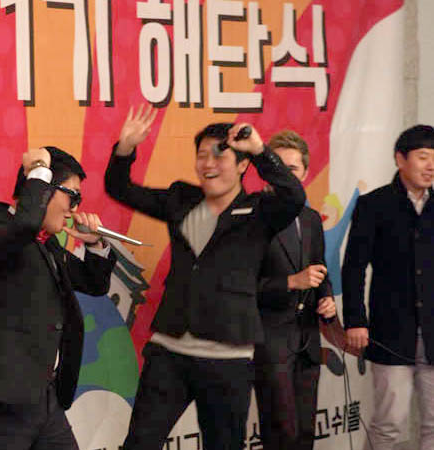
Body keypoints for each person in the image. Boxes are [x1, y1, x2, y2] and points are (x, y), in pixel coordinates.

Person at [104, 105, 306, 450]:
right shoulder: (180, 199)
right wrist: (125, 148)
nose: (208, 163)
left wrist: (259, 150)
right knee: (139, 442)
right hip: (170, 350)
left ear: (242, 165)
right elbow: (119, 188)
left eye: (219, 155)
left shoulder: (260, 211)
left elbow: (295, 196)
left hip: (228, 357)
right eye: (201, 155)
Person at [0, 146, 116, 450]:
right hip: (4, 402)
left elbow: (94, 284)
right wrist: (38, 170)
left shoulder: (48, 244)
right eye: (72, 196)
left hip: (46, 399)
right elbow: (23, 227)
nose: (74, 209)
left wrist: (95, 244)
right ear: (43, 188)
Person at [343, 124, 434, 450]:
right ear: (400, 159)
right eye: (423, 157)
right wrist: (355, 320)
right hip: (392, 331)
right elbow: (353, 268)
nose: (431, 166)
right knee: (389, 424)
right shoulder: (374, 205)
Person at [253, 130, 336, 450]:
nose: (285, 175)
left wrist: (326, 299)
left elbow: (319, 269)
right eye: (278, 166)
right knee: (281, 433)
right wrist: (290, 282)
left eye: (292, 169)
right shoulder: (250, 215)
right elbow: (236, 286)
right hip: (269, 341)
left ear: (305, 173)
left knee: (304, 433)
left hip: (308, 340)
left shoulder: (311, 218)